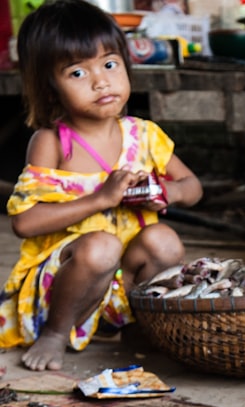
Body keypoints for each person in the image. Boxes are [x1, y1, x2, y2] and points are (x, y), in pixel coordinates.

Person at [0, 0, 203, 372]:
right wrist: (101, 199)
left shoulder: (144, 136)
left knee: (164, 240)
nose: (100, 81)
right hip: (64, 287)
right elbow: (24, 223)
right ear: (50, 86)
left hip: (121, 286)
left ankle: (139, 326)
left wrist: (165, 192)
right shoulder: (53, 142)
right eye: (77, 73)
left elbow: (193, 186)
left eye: (110, 64)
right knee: (101, 245)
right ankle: (56, 333)